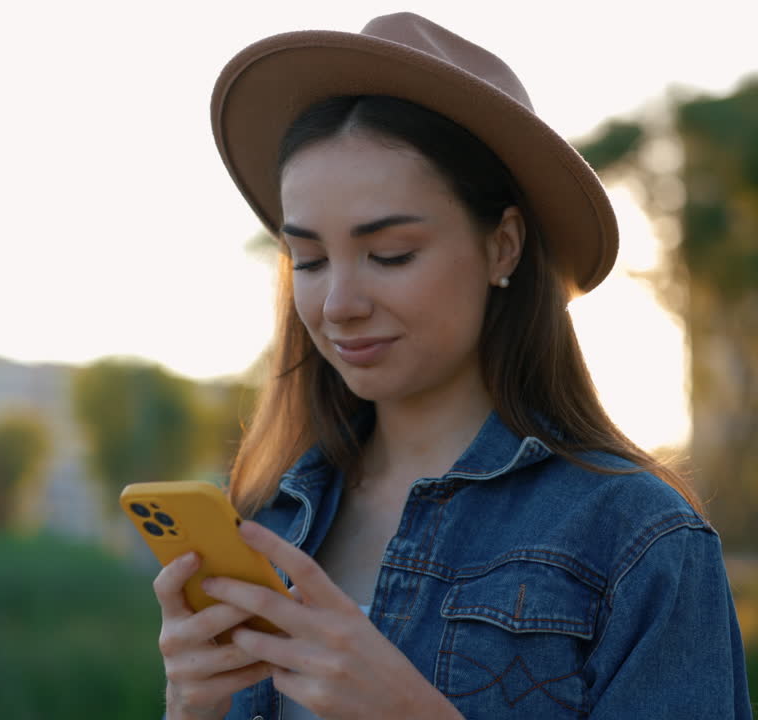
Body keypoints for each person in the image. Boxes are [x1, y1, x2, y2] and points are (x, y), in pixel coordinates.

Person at [152, 12, 752, 720]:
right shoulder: (265, 519)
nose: (338, 303)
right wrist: (188, 707)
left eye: (390, 255)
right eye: (308, 260)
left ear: (503, 247)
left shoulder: (636, 537)